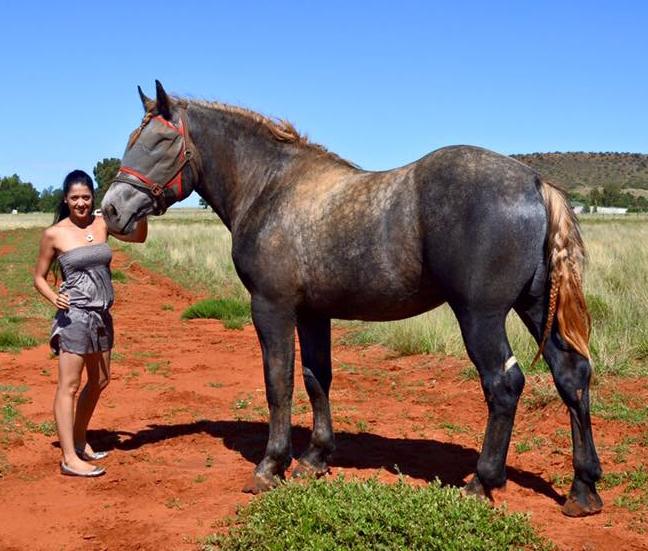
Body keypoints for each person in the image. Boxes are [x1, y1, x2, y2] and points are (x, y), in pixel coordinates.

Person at [33, 170, 147, 477]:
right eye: (74, 198)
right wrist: (52, 298)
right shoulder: (54, 234)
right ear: (66, 200)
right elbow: (39, 277)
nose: (81, 203)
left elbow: (139, 235)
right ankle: (69, 457)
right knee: (68, 387)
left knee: (99, 381)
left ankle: (80, 441)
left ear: (92, 197)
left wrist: (143, 209)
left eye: (85, 197)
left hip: (102, 315)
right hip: (74, 317)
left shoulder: (102, 224)